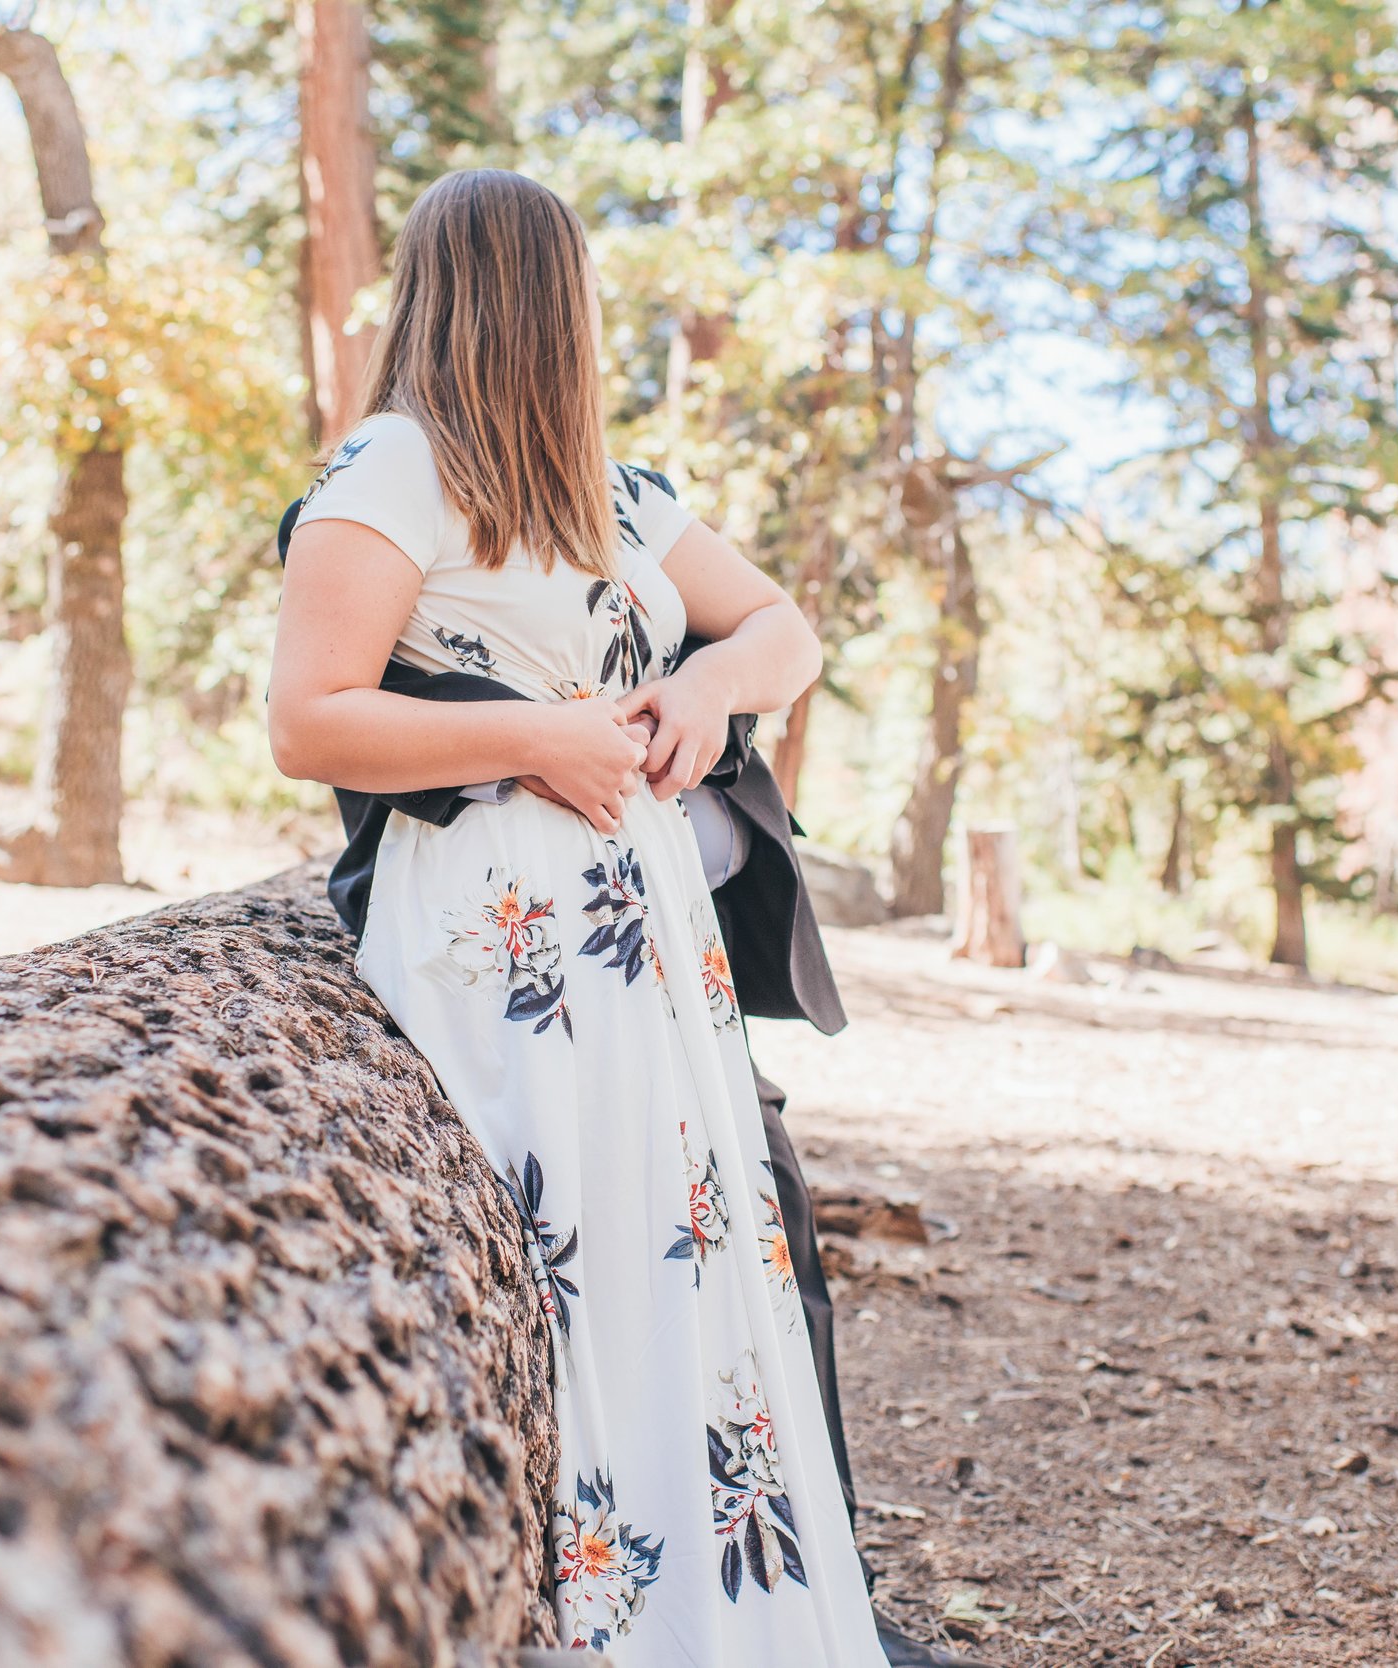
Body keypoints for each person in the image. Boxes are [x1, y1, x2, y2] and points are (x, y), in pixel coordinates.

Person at [268, 167, 887, 1665]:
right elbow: (307, 722)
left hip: (653, 942)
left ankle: (727, 1609)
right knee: (584, 1272)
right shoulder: (391, 473)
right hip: (508, 942)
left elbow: (784, 630)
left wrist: (706, 686)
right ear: (542, 301)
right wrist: (532, 738)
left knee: (693, 1263)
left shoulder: (617, 491)